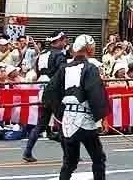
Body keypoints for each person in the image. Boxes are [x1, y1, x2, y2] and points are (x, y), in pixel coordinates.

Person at [43, 34, 108, 180]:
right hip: (85, 120)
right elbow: (95, 94)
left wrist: (59, 113)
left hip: (67, 119)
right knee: (98, 158)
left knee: (69, 162)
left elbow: (49, 92)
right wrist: (102, 117)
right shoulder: (90, 68)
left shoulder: (64, 68)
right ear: (89, 49)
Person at [23, 31, 67, 162]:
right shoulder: (59, 55)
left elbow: (36, 71)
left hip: (42, 88)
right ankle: (69, 154)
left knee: (41, 123)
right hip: (54, 90)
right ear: (57, 41)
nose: (65, 43)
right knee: (63, 123)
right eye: (63, 40)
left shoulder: (42, 54)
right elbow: (62, 73)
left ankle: (28, 151)